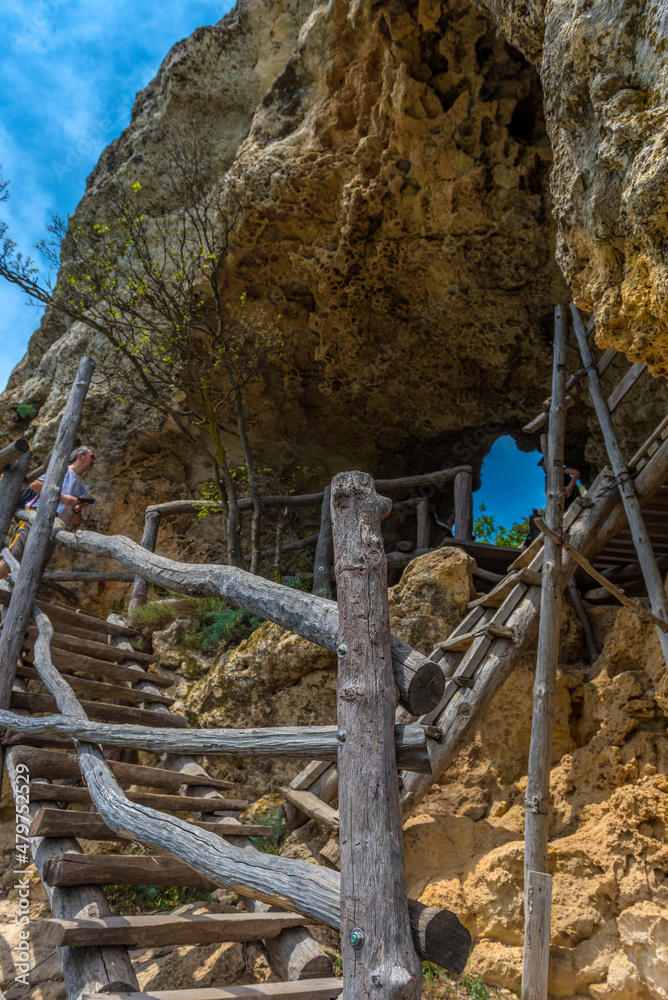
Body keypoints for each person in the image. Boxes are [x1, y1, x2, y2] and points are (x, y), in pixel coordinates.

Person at [0, 446, 97, 580]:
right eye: (92, 457)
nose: (94, 461)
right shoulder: (61, 471)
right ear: (80, 456)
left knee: (38, 566)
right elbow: (35, 485)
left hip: (57, 527)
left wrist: (77, 510)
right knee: (16, 554)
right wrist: (63, 498)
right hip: (36, 518)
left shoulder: (83, 487)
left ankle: (16, 597)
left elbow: (75, 521)